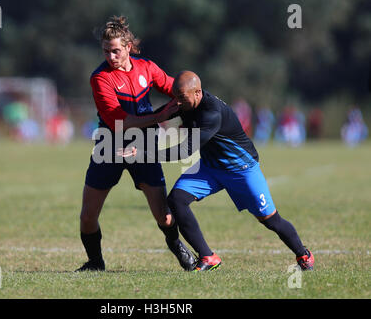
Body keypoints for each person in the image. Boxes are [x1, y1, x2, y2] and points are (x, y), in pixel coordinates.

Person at [123, 71, 315, 272]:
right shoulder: (183, 102)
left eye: (181, 98)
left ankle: (303, 254)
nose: (177, 103)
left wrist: (144, 153)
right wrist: (125, 126)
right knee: (176, 200)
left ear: (197, 93)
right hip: (210, 168)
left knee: (271, 221)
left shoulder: (211, 113)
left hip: (241, 170)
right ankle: (208, 257)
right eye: (175, 97)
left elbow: (185, 150)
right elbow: (155, 118)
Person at [76, 16, 195, 271]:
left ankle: (178, 247)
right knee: (87, 217)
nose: (110, 56)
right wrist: (160, 116)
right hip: (110, 146)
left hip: (143, 147)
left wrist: (197, 97)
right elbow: (121, 121)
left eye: (116, 50)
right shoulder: (100, 78)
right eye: (106, 51)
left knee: (163, 215)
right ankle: (95, 263)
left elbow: (175, 87)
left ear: (128, 47)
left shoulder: (147, 68)